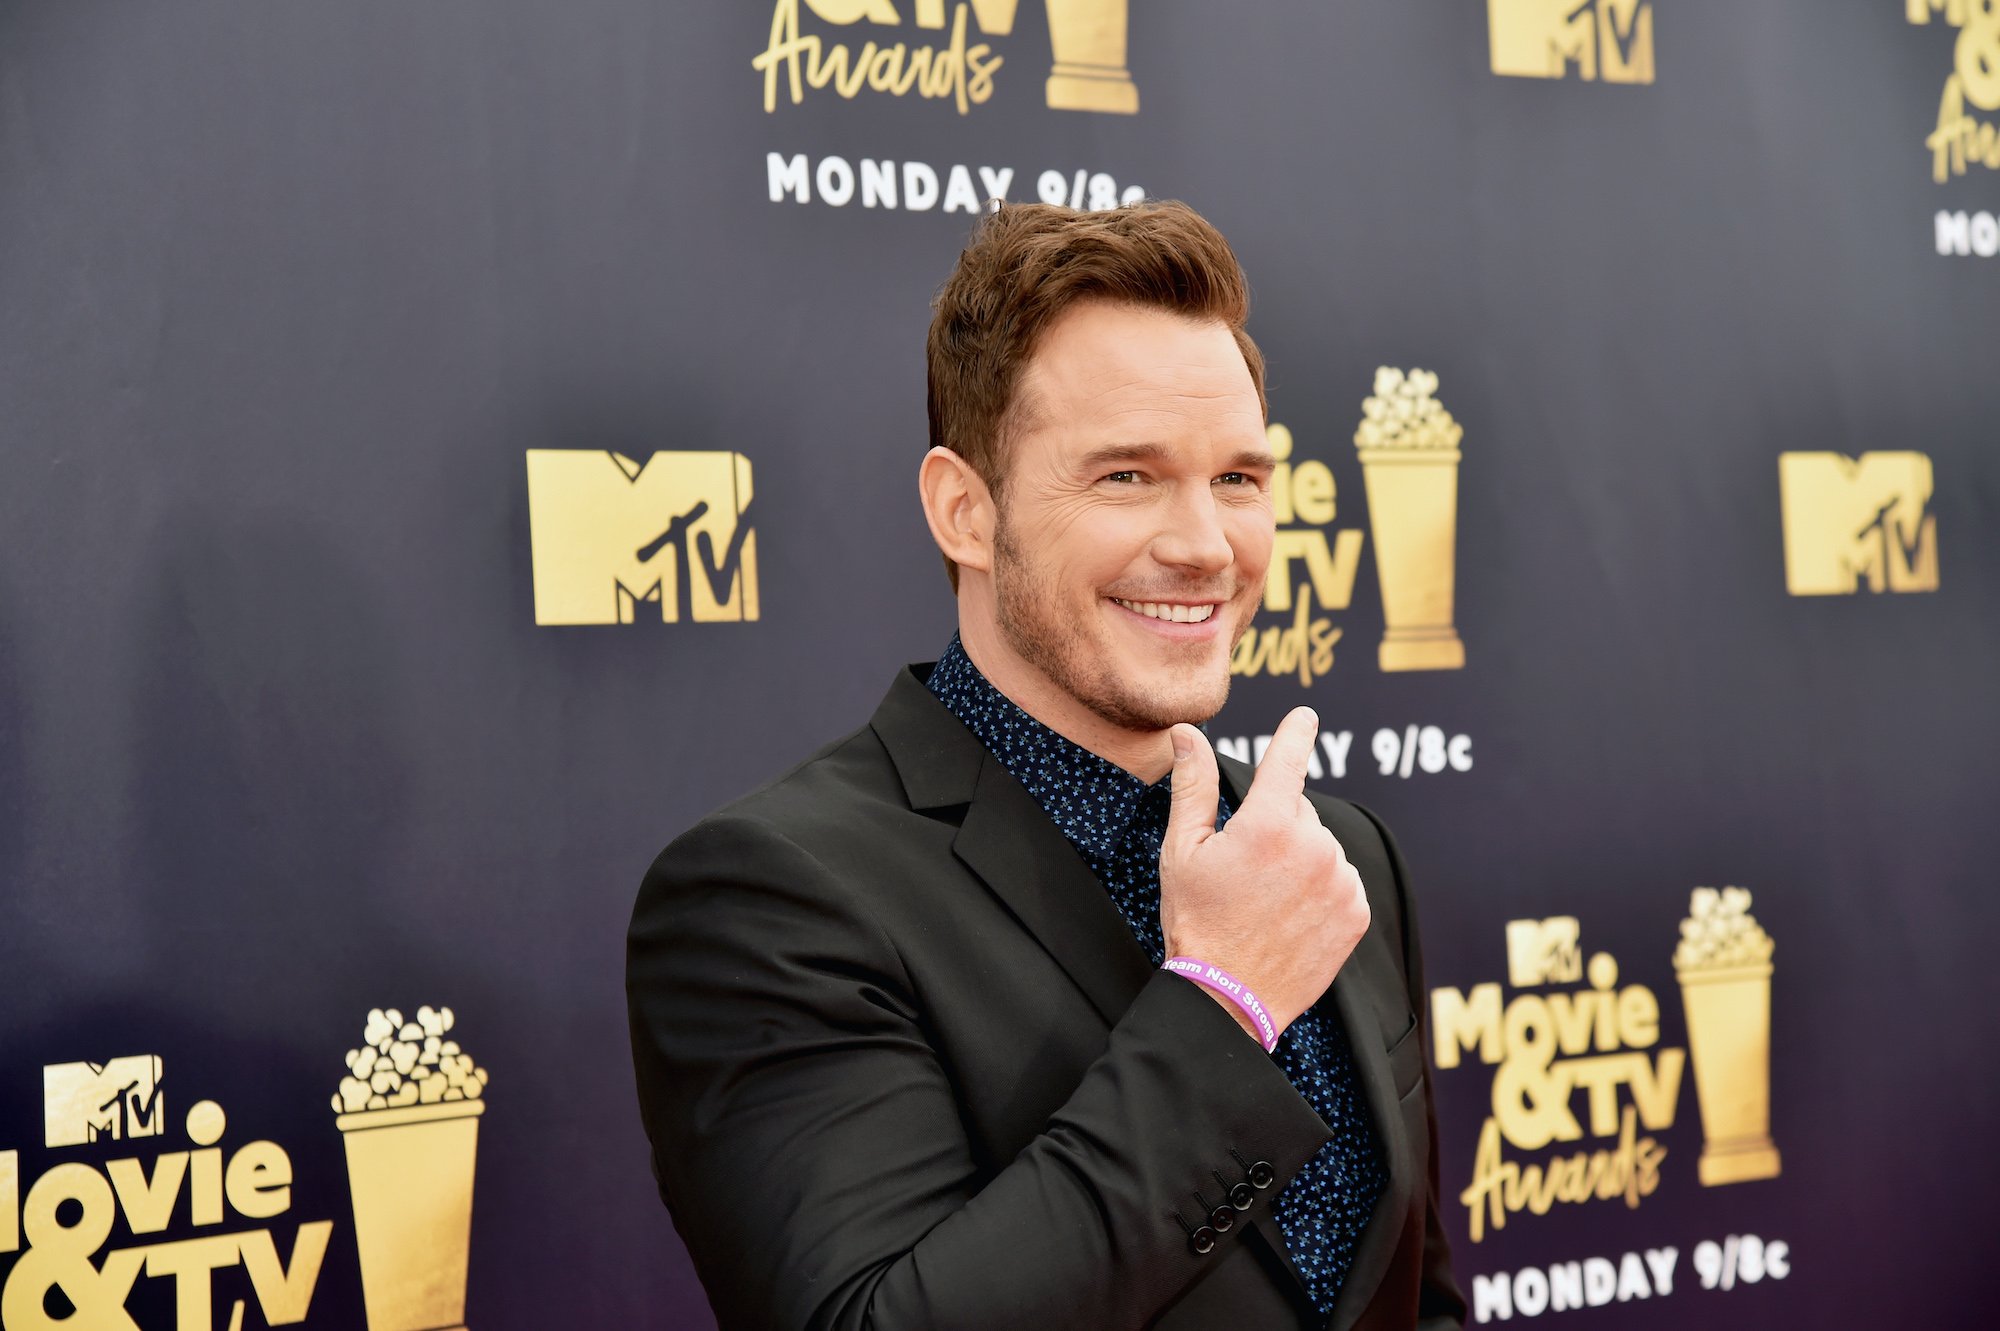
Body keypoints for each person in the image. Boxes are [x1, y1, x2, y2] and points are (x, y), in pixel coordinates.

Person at [627, 201, 1465, 1330]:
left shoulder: (1334, 855)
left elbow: (1415, 1295)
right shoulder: (770, 898)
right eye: (1126, 475)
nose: (1205, 543)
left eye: (1237, 477)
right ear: (964, 511)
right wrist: (1223, 1005)